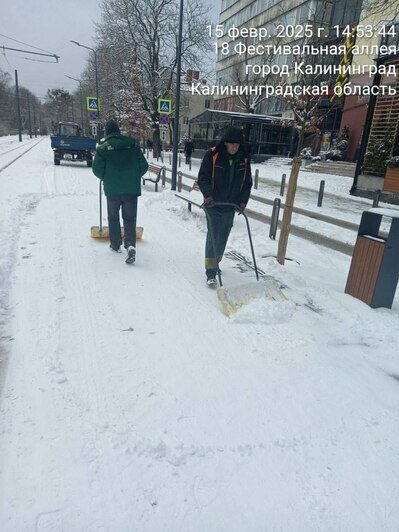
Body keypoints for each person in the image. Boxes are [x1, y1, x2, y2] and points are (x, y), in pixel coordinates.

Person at [198, 126, 252, 286]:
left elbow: (247, 183)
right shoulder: (213, 155)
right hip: (213, 204)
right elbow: (203, 177)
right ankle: (211, 271)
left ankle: (216, 261)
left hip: (230, 205)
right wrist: (208, 196)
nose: (234, 147)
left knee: (223, 236)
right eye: (231, 144)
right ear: (225, 143)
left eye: (237, 145)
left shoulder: (244, 159)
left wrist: (242, 202)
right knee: (213, 235)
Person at [92, 119, 148, 264]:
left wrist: (107, 177)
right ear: (118, 130)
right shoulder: (132, 144)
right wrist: (133, 176)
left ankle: (115, 244)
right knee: (129, 218)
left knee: (113, 217)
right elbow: (144, 166)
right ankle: (130, 245)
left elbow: (97, 169)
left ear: (107, 132)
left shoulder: (103, 148)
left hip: (112, 190)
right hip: (131, 189)